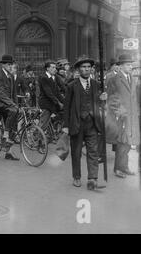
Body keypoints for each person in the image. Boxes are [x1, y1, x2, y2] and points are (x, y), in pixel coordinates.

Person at [63, 56, 108, 190]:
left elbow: (99, 103)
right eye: (83, 67)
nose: (86, 69)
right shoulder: (71, 86)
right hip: (76, 123)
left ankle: (92, 179)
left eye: (88, 67)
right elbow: (66, 107)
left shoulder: (96, 84)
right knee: (76, 152)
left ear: (91, 69)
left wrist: (103, 99)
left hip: (93, 123)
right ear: (78, 69)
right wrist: (65, 126)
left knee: (93, 151)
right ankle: (76, 177)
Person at [107, 54, 140, 178]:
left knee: (128, 142)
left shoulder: (131, 77)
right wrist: (120, 113)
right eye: (128, 65)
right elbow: (111, 98)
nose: (130, 67)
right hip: (121, 117)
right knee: (121, 142)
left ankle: (124, 167)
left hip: (132, 116)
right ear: (120, 66)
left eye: (131, 64)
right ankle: (118, 169)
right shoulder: (114, 79)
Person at [0, 54, 19, 160]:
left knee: (16, 114)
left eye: (11, 64)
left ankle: (9, 152)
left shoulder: (11, 76)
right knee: (13, 111)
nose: (10, 66)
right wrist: (12, 104)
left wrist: (16, 104)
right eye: (8, 64)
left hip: (8, 104)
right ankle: (6, 133)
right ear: (3, 65)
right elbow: (0, 93)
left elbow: (14, 93)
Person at [38, 60, 64, 131]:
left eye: (55, 68)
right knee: (43, 124)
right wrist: (58, 102)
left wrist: (65, 101)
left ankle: (53, 126)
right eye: (52, 67)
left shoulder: (55, 77)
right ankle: (35, 137)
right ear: (47, 68)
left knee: (65, 112)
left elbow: (59, 91)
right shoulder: (43, 77)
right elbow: (48, 93)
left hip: (53, 102)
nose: (55, 69)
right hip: (46, 102)